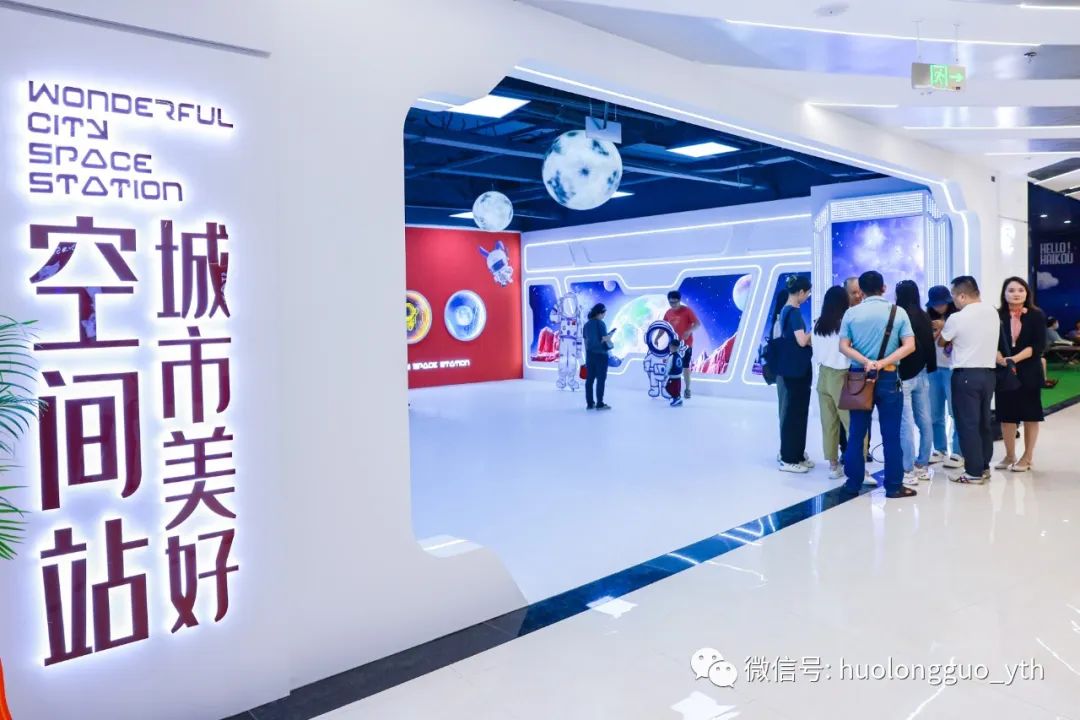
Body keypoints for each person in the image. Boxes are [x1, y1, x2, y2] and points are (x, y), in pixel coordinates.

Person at [839, 271, 917, 499]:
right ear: (883, 288)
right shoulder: (898, 312)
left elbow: (843, 346)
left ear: (861, 291)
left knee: (856, 433)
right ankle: (893, 486)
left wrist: (866, 362)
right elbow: (909, 346)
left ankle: (852, 484)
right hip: (889, 377)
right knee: (891, 434)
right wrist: (881, 363)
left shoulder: (851, 313)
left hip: (858, 378)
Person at [939, 276, 1000, 484]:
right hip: (988, 375)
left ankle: (973, 472)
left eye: (954, 296)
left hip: (966, 375)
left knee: (968, 424)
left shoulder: (957, 318)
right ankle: (983, 467)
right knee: (983, 423)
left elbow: (942, 341)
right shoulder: (992, 311)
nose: (953, 301)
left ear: (962, 296)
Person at [995, 277, 1047, 472]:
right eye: (1011, 290)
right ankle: (1010, 455)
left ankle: (1027, 457)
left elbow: (1038, 345)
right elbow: (991, 341)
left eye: (1020, 290)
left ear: (1027, 293)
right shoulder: (998, 315)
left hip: (1029, 369)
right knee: (1006, 415)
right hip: (1004, 371)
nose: (1016, 294)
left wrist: (1014, 359)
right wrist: (1000, 358)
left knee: (1030, 415)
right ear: (1004, 294)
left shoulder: (1036, 315)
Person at [895, 280, 937, 485]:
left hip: (903, 375)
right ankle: (922, 465)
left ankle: (907, 469)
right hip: (922, 373)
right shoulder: (924, 315)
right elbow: (929, 346)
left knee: (906, 423)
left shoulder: (899, 316)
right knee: (925, 420)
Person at [775, 276, 814, 474]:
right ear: (800, 292)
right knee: (794, 414)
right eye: (807, 293)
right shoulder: (795, 312)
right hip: (796, 371)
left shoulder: (785, 310)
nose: (808, 297)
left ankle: (796, 454)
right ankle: (789, 458)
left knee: (795, 412)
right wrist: (815, 330)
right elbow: (801, 341)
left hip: (791, 370)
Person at [813, 286, 852, 480]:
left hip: (823, 376)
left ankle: (833, 466)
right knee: (853, 424)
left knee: (829, 424)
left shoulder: (818, 324)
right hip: (842, 376)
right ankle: (857, 464)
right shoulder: (845, 324)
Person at [926, 287, 963, 468]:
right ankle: (939, 449)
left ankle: (957, 451)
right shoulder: (927, 319)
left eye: (942, 303)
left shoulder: (958, 318)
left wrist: (945, 326)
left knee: (955, 412)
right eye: (935, 304)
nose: (939, 307)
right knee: (935, 412)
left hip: (953, 368)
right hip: (933, 369)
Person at [664, 291, 700, 399]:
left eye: (675, 302)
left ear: (679, 300)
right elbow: (664, 326)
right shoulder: (668, 313)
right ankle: (673, 390)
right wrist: (657, 337)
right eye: (671, 302)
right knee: (672, 367)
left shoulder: (687, 310)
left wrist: (688, 331)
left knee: (685, 367)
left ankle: (687, 389)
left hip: (686, 345)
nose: (673, 305)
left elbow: (697, 324)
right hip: (673, 345)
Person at [583, 303, 614, 410]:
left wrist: (587, 355)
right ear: (600, 313)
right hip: (601, 355)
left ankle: (590, 403)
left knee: (589, 380)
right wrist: (610, 336)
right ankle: (600, 403)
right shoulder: (600, 324)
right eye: (604, 313)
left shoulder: (586, 325)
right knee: (601, 380)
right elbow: (604, 339)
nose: (604, 315)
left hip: (590, 355)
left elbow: (586, 342)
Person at [667, 338, 685, 408]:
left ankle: (676, 399)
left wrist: (665, 374)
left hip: (673, 376)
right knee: (677, 389)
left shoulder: (672, 357)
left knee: (669, 387)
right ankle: (678, 399)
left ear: (672, 347)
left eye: (670, 347)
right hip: (678, 376)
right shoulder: (679, 356)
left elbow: (668, 367)